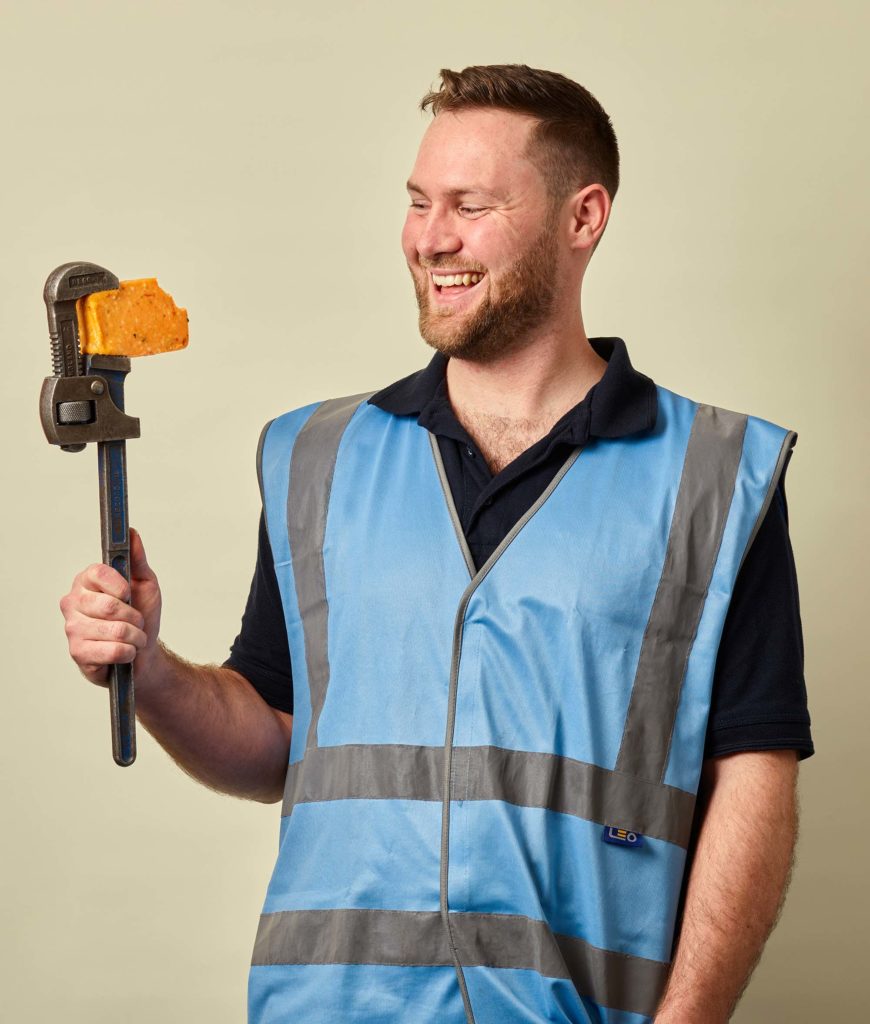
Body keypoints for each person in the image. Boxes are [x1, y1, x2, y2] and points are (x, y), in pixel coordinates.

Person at [59, 65, 813, 1024]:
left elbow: (752, 782)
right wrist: (152, 669)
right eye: (418, 203)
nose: (430, 239)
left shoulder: (717, 476)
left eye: (471, 205)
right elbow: (277, 739)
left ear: (584, 219)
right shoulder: (314, 459)